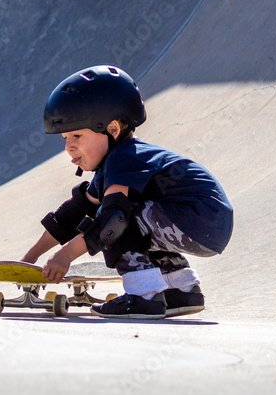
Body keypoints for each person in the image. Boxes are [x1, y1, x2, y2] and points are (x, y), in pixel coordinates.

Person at [20, 65, 233, 319]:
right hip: (208, 223)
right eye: (64, 138)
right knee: (124, 215)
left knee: (115, 219)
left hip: (198, 215)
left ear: (112, 130)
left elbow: (112, 221)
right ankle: (182, 289)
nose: (68, 147)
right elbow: (75, 212)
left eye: (77, 135)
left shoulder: (125, 156)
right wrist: (31, 257)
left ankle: (144, 296)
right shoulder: (114, 166)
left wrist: (65, 255)